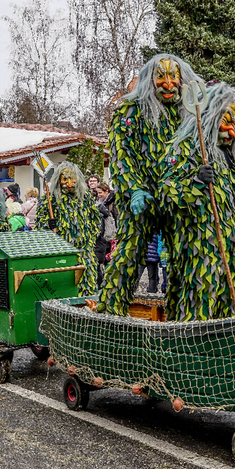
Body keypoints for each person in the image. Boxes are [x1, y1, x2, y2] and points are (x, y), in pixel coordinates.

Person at [158, 84, 235, 320]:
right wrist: (196, 182)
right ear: (211, 118)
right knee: (199, 300)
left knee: (233, 303)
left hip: (234, 247)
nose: (232, 132)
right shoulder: (184, 149)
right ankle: (190, 345)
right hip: (199, 249)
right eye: (226, 122)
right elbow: (166, 196)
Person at [96, 54, 202, 315]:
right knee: (131, 252)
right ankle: (110, 309)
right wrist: (134, 188)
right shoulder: (129, 111)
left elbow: (193, 153)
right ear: (149, 80)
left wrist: (196, 179)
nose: (168, 83)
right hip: (140, 200)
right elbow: (122, 155)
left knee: (183, 256)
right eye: (161, 76)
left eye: (173, 76)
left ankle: (182, 315)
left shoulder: (189, 115)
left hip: (174, 197)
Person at [40, 161, 102, 293]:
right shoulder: (50, 199)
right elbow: (40, 226)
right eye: (65, 179)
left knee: (86, 284)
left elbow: (96, 220)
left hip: (84, 252)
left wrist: (89, 239)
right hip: (61, 253)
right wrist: (48, 226)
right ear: (58, 180)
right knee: (64, 286)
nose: (69, 183)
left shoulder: (86, 197)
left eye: (72, 179)